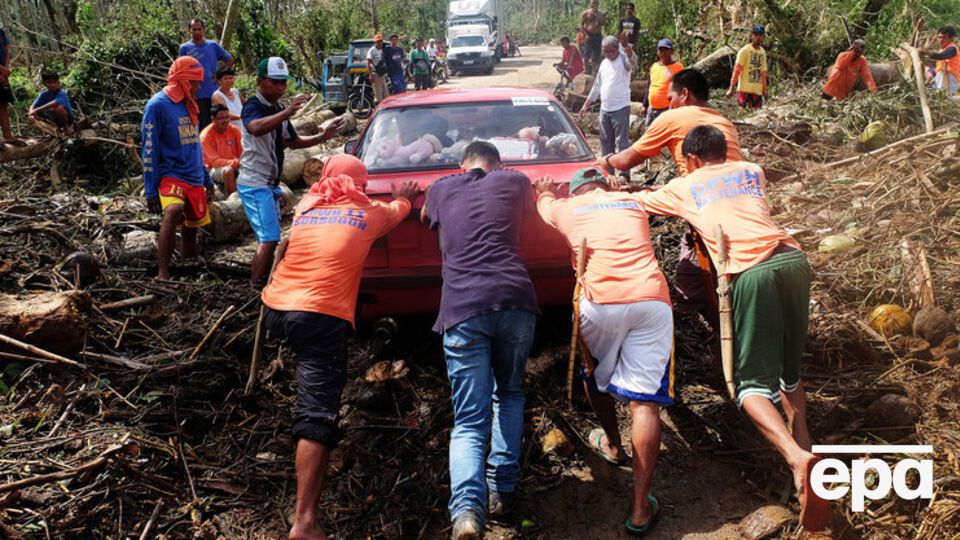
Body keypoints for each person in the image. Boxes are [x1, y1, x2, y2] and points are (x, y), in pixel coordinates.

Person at [634, 125, 830, 532]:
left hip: (751, 272)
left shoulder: (684, 185)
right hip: (794, 260)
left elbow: (637, 204)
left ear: (690, 159)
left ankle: (796, 459)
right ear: (727, 150)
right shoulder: (752, 169)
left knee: (750, 386)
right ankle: (805, 452)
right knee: (788, 374)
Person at [262, 155, 416, 540]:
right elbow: (401, 205)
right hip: (318, 314)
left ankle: (296, 431)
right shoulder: (368, 213)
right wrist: (405, 197)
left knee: (309, 379)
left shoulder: (307, 206)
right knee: (317, 415)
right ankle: (305, 523)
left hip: (276, 307)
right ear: (360, 185)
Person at [535, 167, 673, 536]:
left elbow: (543, 201)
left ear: (578, 191)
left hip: (600, 303)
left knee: (595, 377)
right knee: (645, 403)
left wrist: (546, 192)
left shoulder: (566, 207)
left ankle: (613, 444)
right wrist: (621, 189)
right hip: (651, 299)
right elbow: (652, 195)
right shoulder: (631, 201)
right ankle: (641, 507)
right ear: (605, 186)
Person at [421, 142, 539, 540]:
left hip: (462, 307)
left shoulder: (440, 187)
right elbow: (529, 207)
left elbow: (425, 217)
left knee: (469, 420)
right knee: (509, 393)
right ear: (497, 165)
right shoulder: (515, 180)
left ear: (461, 164)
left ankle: (468, 513)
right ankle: (502, 492)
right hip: (515, 300)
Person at [602, 68, 742, 332]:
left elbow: (626, 160)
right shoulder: (723, 120)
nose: (668, 104)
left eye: (670, 98)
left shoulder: (673, 117)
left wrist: (605, 161)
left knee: (697, 284)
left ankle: (720, 336)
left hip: (706, 214)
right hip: (740, 207)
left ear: (685, 94)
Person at [237, 57, 344, 286]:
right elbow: (254, 128)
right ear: (260, 81)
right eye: (275, 82)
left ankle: (265, 280)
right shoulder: (253, 107)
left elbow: (293, 142)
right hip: (255, 183)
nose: (281, 88)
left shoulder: (277, 110)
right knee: (269, 239)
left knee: (271, 239)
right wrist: (287, 112)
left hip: (270, 184)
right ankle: (255, 286)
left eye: (284, 83)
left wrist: (322, 137)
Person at [141, 57, 213, 281]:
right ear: (182, 80)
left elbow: (195, 145)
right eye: (194, 81)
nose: (198, 86)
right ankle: (163, 271)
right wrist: (151, 189)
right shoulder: (157, 106)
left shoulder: (190, 105)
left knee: (192, 228)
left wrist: (206, 179)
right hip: (170, 174)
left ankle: (187, 269)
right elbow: (149, 148)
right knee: (172, 213)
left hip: (194, 175)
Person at [580, 34, 636, 182]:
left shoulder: (623, 59)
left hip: (621, 108)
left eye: (611, 51)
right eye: (605, 51)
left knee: (621, 143)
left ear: (617, 48)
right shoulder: (604, 63)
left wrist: (627, 47)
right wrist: (586, 104)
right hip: (605, 109)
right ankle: (608, 173)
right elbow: (597, 86)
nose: (608, 54)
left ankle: (624, 175)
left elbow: (633, 61)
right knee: (605, 142)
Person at [179, 18, 234, 131]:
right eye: (194, 29)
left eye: (199, 29)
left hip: (215, 93)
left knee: (220, 123)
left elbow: (229, 59)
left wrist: (220, 75)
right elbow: (181, 70)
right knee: (203, 126)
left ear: (204, 30)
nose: (197, 32)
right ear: (189, 30)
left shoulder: (212, 45)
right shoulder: (185, 48)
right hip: (197, 95)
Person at [201, 104, 242, 194]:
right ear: (213, 119)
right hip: (213, 169)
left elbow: (242, 153)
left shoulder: (234, 130)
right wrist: (236, 162)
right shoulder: (206, 136)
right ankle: (233, 199)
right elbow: (215, 162)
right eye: (221, 118)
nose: (226, 121)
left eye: (227, 117)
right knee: (228, 171)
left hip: (234, 164)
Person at [642, 39, 684, 127]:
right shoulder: (654, 67)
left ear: (671, 51)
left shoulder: (678, 68)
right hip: (652, 108)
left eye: (666, 50)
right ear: (658, 51)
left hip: (668, 109)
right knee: (650, 134)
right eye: (661, 50)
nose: (663, 52)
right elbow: (649, 86)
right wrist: (645, 105)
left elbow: (683, 89)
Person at [727, 26, 768, 109]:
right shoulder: (744, 51)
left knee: (756, 117)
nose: (758, 37)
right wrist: (731, 88)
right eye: (756, 35)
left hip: (757, 92)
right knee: (743, 116)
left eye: (760, 35)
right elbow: (737, 70)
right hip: (744, 91)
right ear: (751, 36)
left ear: (763, 37)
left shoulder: (763, 52)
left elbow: (763, 73)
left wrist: (764, 91)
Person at [921, 26, 959, 95]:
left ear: (951, 38)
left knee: (947, 100)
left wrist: (927, 52)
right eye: (939, 37)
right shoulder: (942, 49)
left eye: (944, 37)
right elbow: (938, 67)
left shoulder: (952, 49)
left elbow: (940, 56)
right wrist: (930, 72)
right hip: (940, 78)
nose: (941, 40)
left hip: (949, 79)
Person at [0, 25, 16, 143]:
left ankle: (8, 136)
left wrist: (5, 70)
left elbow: (7, 50)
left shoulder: (1, 32)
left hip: (3, 75)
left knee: (3, 104)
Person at [580, 0, 606, 73]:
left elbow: (603, 23)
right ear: (590, 4)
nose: (593, 4)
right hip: (589, 35)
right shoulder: (586, 13)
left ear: (598, 4)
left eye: (595, 3)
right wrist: (586, 34)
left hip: (597, 35)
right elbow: (581, 25)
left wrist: (600, 17)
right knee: (587, 52)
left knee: (596, 53)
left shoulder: (600, 13)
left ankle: (594, 70)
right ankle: (585, 69)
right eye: (592, 3)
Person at [366, 35, 390, 105]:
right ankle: (379, 112)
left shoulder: (381, 50)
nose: (380, 43)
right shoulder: (371, 50)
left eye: (381, 41)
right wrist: (370, 75)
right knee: (378, 95)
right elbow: (368, 62)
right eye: (378, 42)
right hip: (375, 74)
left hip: (381, 74)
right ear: (375, 42)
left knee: (386, 93)